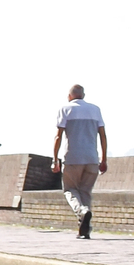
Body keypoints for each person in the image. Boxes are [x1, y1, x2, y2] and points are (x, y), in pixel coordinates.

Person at [52, 84, 108, 238]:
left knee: (70, 190)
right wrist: (103, 159)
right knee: (85, 192)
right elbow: (102, 135)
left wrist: (55, 159)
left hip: (72, 158)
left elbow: (59, 136)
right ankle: (84, 230)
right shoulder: (95, 109)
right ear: (83, 95)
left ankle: (82, 211)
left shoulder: (65, 109)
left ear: (70, 96)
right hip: (91, 158)